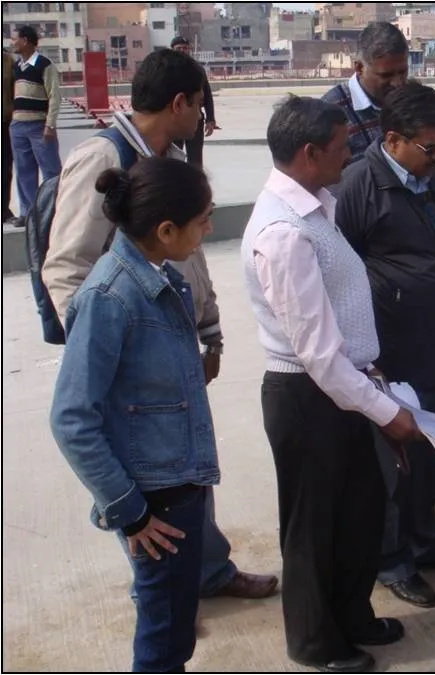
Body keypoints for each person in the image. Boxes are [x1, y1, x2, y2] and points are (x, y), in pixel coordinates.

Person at [43, 48, 277, 601]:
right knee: (149, 475)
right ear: (181, 103)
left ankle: (207, 570)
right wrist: (103, 350)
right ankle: (166, 590)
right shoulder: (104, 157)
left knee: (188, 464)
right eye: (200, 107)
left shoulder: (169, 161)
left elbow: (191, 261)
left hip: (175, 343)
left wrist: (209, 330)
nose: (201, 120)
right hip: (129, 355)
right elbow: (67, 267)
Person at [241, 95, 423, 674]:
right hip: (309, 398)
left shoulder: (318, 204)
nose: (351, 155)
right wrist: (385, 411)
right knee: (314, 526)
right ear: (309, 152)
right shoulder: (284, 233)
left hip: (345, 392)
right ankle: (317, 642)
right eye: (343, 147)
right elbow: (317, 354)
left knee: (359, 513)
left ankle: (352, 614)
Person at [50, 156, 218, 673]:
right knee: (163, 644)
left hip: (177, 485)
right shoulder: (112, 297)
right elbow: (72, 418)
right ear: (166, 231)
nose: (209, 229)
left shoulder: (155, 277)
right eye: (203, 220)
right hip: (156, 504)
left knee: (174, 633)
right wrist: (131, 511)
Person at [335, 81, 435, 610]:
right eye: (429, 148)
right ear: (393, 140)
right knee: (392, 467)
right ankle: (392, 560)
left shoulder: (434, 182)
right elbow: (339, 275)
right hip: (390, 355)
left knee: (433, 454)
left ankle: (425, 542)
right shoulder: (358, 187)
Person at [322, 22, 408, 167]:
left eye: (402, 72)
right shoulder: (329, 113)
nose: (397, 83)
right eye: (386, 75)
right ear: (359, 67)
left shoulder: (410, 100)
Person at [9, 25, 62, 221]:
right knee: (24, 171)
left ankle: (55, 213)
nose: (11, 42)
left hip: (39, 126)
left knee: (51, 171)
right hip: (18, 126)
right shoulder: (16, 67)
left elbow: (55, 96)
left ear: (26, 41)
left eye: (14, 39)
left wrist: (50, 124)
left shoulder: (44, 65)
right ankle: (28, 214)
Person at [170, 35, 220, 167]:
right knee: (174, 158)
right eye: (179, 48)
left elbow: (207, 95)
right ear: (172, 49)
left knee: (196, 158)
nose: (182, 51)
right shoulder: (166, 70)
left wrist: (210, 119)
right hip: (174, 120)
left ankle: (195, 185)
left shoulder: (197, 70)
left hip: (195, 118)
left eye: (185, 48)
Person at [2, 47, 16, 225]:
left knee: (5, 168)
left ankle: (3, 209)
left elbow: (16, 91)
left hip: (5, 122)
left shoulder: (8, 62)